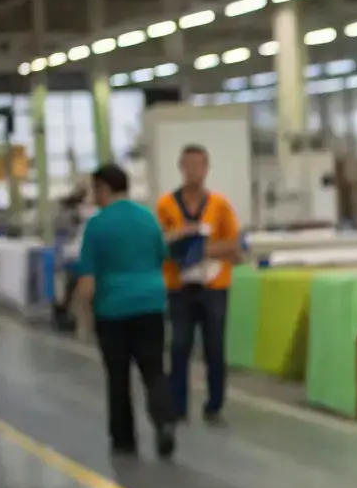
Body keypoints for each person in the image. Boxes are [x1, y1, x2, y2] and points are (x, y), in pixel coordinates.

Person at [73, 165, 178, 459]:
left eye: (95, 190)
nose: (94, 196)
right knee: (154, 370)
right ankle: (165, 421)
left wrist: (82, 318)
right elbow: (162, 256)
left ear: (104, 189)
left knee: (118, 376)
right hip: (150, 304)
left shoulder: (97, 226)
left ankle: (124, 440)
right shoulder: (148, 218)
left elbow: (87, 280)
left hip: (113, 309)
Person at [156, 144, 241, 424]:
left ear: (206, 169)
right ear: (181, 167)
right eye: (188, 165)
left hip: (214, 287)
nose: (193, 171)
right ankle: (177, 405)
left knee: (214, 346)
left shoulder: (219, 205)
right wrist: (178, 240)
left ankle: (215, 404)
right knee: (179, 345)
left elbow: (234, 246)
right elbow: (160, 243)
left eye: (199, 165)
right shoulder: (166, 205)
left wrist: (200, 249)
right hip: (179, 287)